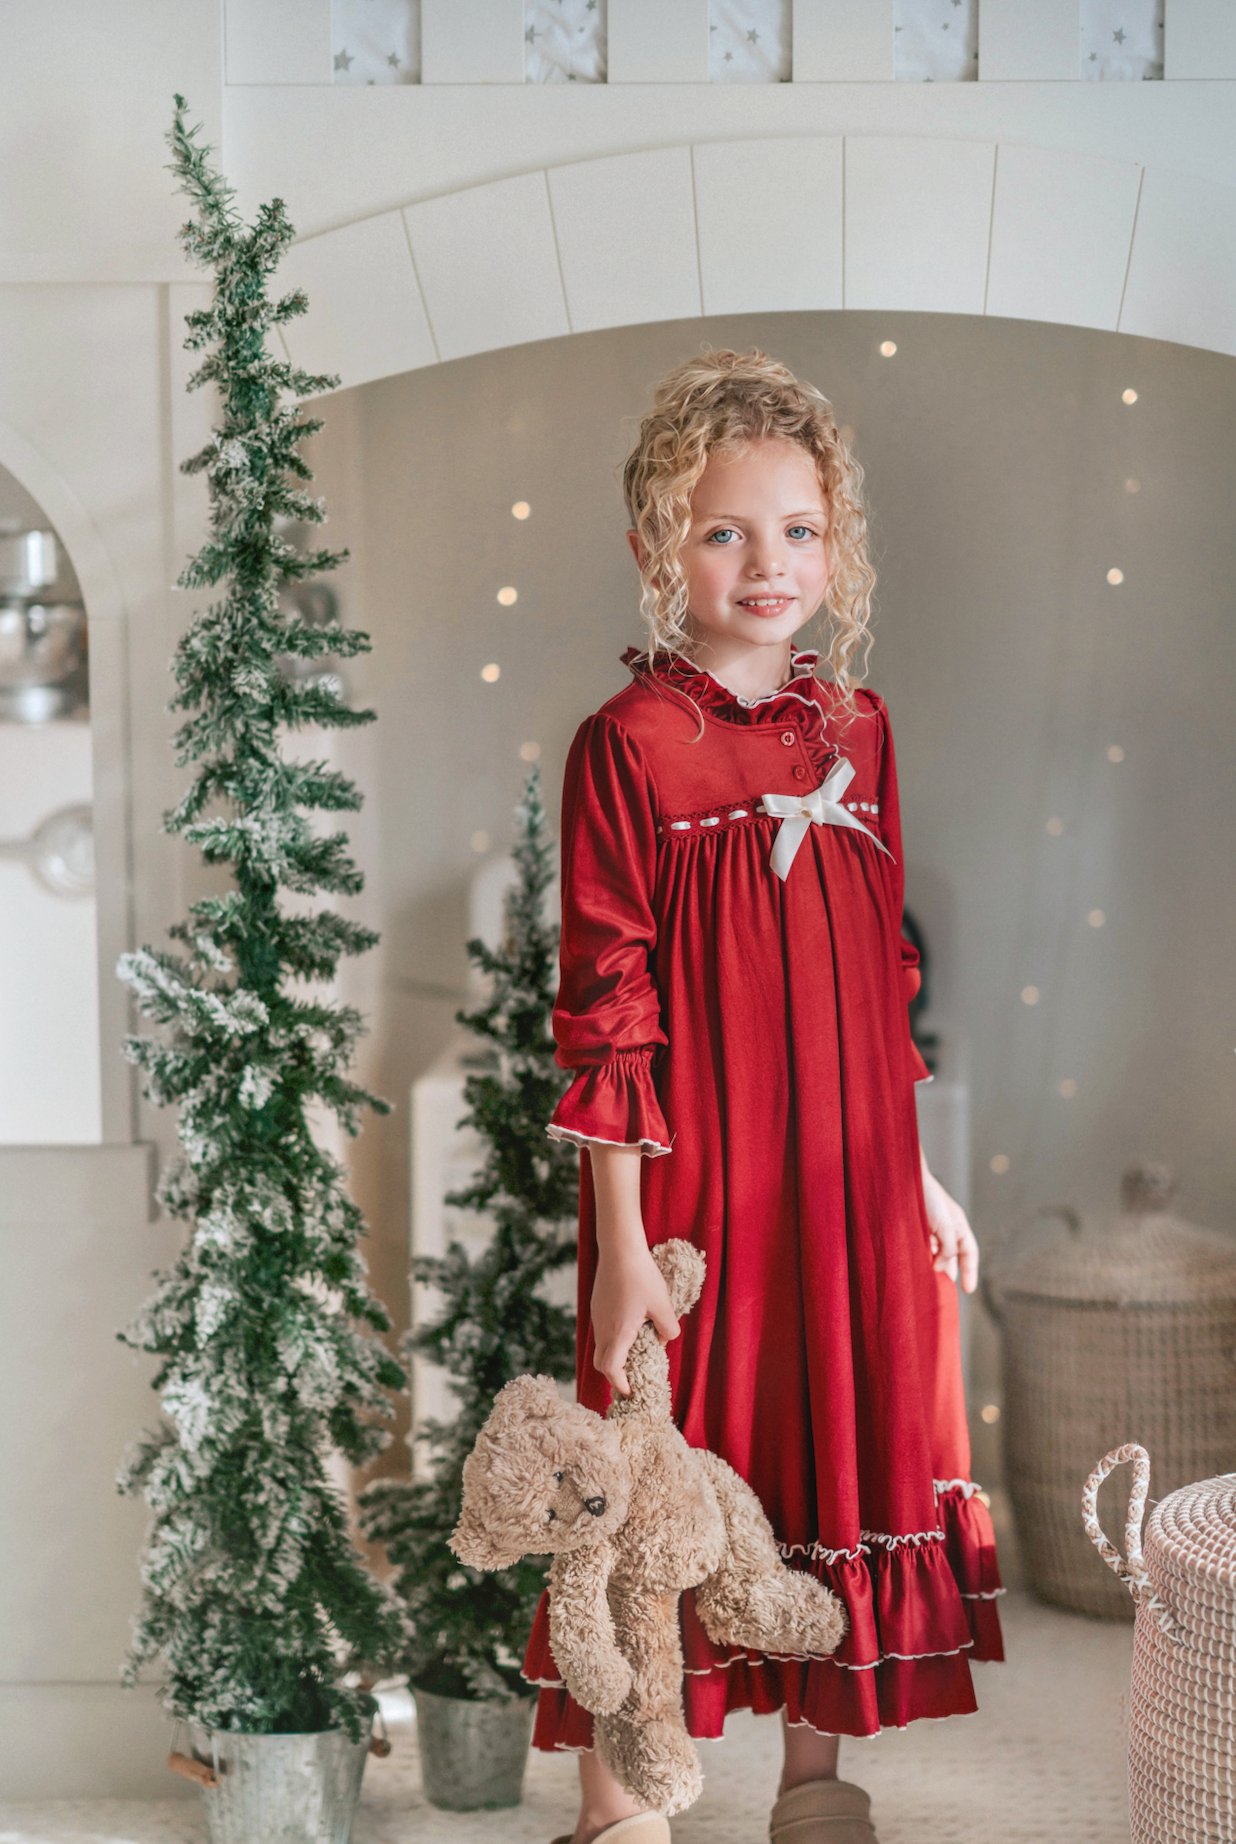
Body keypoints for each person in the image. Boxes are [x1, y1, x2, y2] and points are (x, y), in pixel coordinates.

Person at [523, 350, 1003, 1844]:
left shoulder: (861, 733)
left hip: (852, 1177)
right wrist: (615, 1246)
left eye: (798, 530)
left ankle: (816, 1782)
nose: (768, 563)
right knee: (661, 1468)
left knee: (832, 1442)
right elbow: (608, 1010)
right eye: (728, 530)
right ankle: (624, 1806)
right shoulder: (628, 748)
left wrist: (917, 1179)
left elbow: (881, 995)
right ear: (660, 548)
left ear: (836, 546)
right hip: (698, 1187)